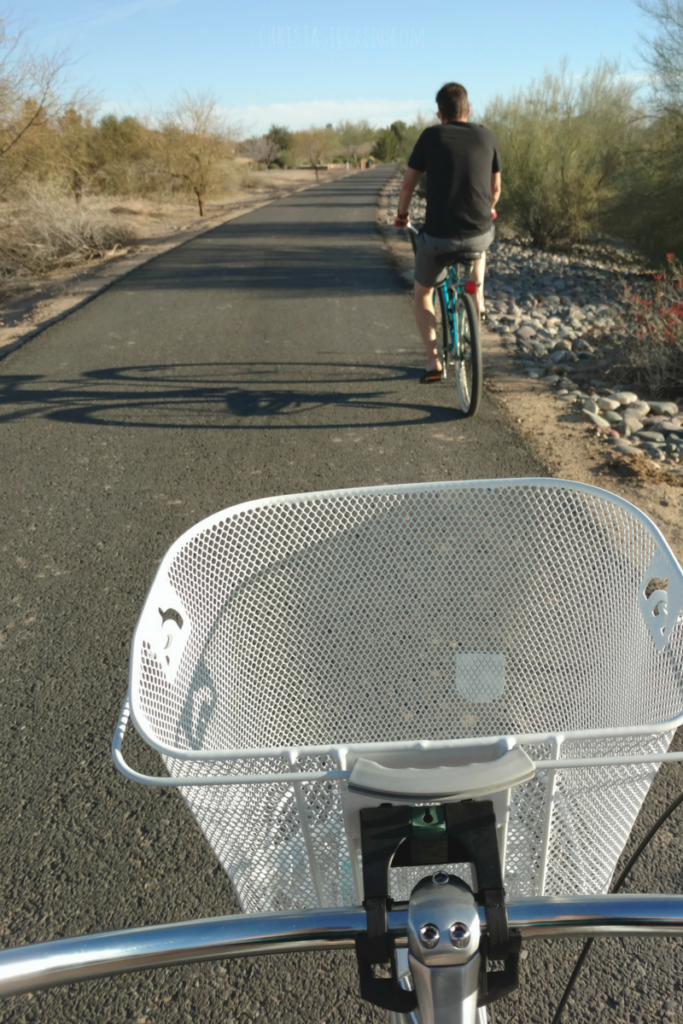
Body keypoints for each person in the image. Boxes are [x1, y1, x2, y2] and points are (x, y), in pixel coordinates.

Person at [396, 83, 501, 382]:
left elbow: (407, 186)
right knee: (481, 241)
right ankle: (476, 294)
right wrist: (487, 209)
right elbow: (496, 190)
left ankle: (433, 362)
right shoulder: (486, 136)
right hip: (478, 233)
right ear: (469, 110)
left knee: (423, 294)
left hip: (438, 237)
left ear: (439, 113)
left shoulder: (430, 136)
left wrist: (402, 216)